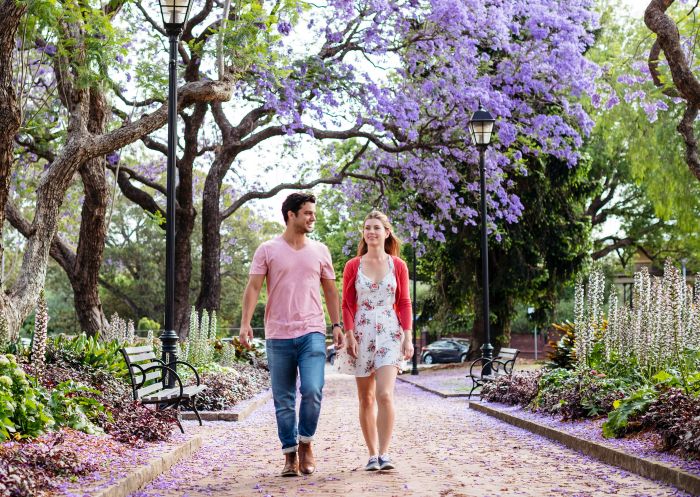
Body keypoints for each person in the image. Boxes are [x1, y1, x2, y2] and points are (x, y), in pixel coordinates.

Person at [239, 192, 343, 477]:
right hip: (278, 335)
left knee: (312, 390)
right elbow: (253, 288)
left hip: (311, 332)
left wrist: (337, 325)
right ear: (291, 215)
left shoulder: (321, 250)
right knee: (283, 399)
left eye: (313, 213)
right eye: (307, 213)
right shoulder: (267, 250)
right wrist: (245, 323)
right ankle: (289, 454)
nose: (312, 217)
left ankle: (306, 443)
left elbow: (331, 290)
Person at [336, 210, 413, 471]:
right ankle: (371, 455)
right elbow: (347, 303)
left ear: (386, 232)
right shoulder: (353, 265)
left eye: (377, 228)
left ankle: (385, 453)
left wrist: (408, 336)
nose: (371, 231)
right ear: (364, 233)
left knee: (385, 395)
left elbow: (403, 302)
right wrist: (348, 334)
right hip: (361, 332)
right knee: (366, 398)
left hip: (391, 332)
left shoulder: (398, 265)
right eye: (367, 227)